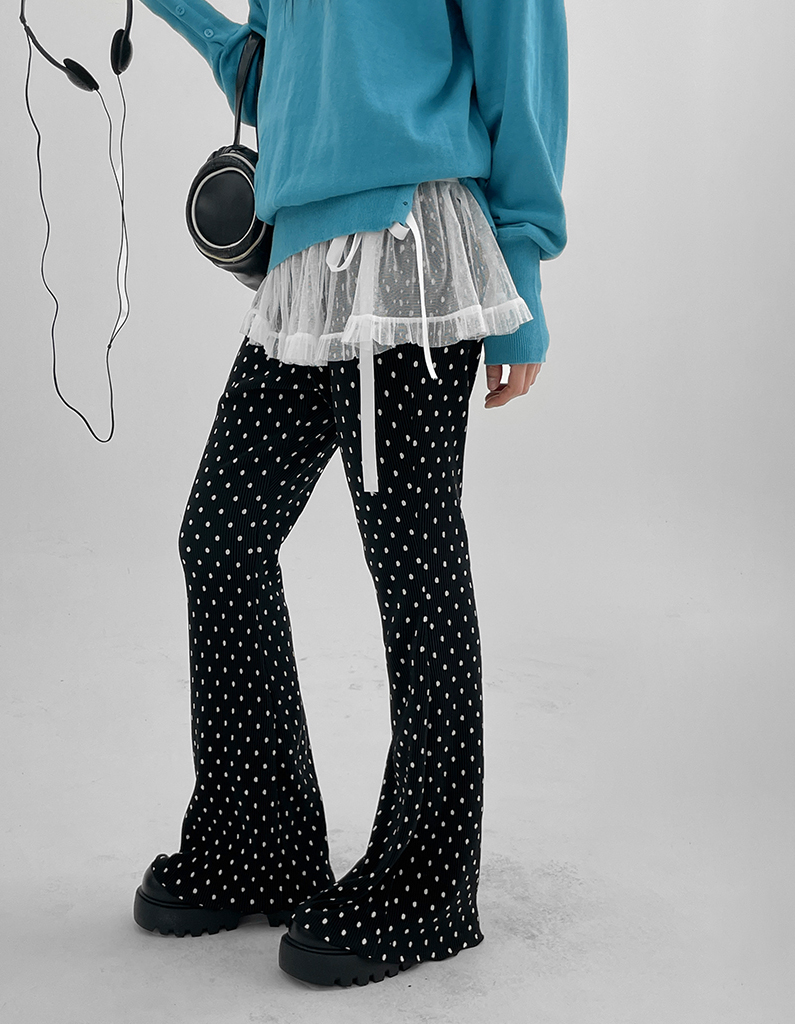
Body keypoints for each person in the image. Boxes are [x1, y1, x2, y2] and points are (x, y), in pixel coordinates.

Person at [131, 0, 568, 987]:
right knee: (222, 537)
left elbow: (522, 51)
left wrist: (524, 267)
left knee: (412, 558)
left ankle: (427, 882)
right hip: (306, 262)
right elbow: (283, 78)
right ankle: (257, 840)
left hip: (410, 243)